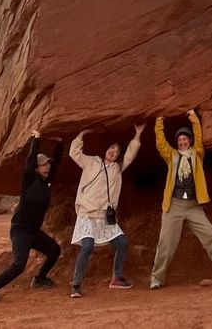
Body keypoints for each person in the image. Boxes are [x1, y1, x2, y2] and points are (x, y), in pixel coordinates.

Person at [149, 109, 212, 290]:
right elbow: (160, 144)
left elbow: (199, 136)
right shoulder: (172, 156)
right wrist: (159, 122)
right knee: (166, 243)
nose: (182, 142)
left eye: (185, 139)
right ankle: (157, 278)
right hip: (174, 205)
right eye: (180, 140)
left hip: (193, 206)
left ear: (189, 141)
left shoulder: (197, 154)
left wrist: (193, 117)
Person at [0, 129, 65, 301]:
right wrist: (37, 138)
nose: (47, 166)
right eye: (44, 164)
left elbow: (56, 164)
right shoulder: (29, 180)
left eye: (47, 164)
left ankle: (40, 278)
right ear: (36, 167)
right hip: (20, 230)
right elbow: (30, 160)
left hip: (34, 231)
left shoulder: (46, 182)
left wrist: (60, 143)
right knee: (19, 265)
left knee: (54, 250)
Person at [67, 123, 145, 297]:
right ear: (106, 149)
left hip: (104, 216)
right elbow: (74, 153)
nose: (114, 152)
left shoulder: (117, 168)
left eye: (117, 152)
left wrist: (138, 134)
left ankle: (116, 278)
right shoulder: (91, 162)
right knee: (87, 247)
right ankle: (76, 285)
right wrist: (81, 134)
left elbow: (130, 155)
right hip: (87, 214)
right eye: (112, 148)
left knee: (122, 243)